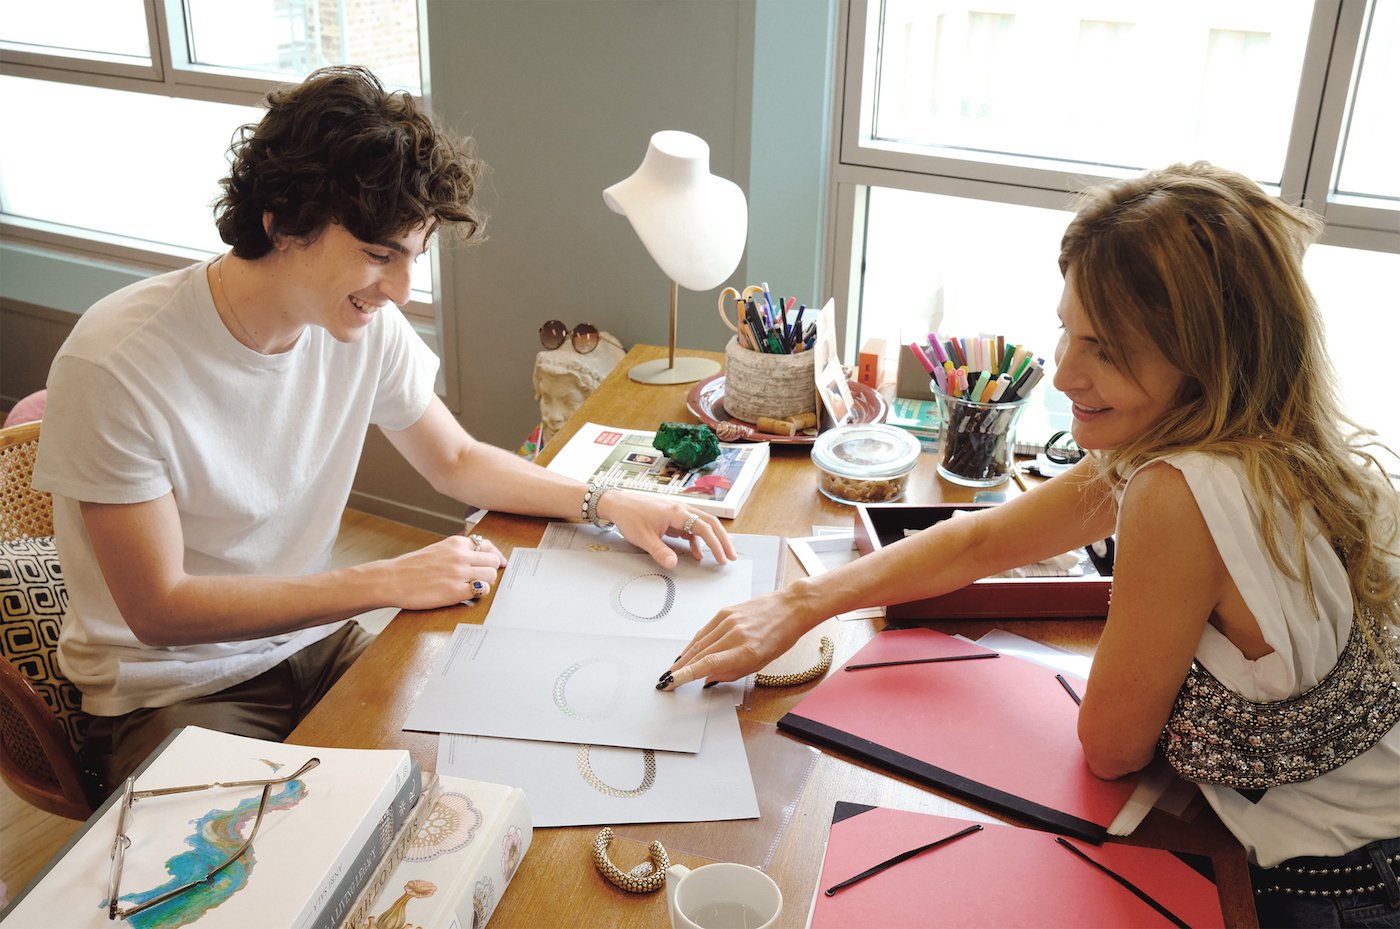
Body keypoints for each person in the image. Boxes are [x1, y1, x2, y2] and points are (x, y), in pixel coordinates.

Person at [663, 162, 1400, 927]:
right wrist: (798, 600)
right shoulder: (1285, 447)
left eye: (1106, 349)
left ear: (1206, 359)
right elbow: (979, 540)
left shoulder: (1180, 489)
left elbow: (1111, 747)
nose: (1063, 369)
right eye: (1068, 328)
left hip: (1335, 889)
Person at [33, 65, 734, 792]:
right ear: (281, 219)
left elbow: (455, 458)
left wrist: (604, 501)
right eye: (378, 255)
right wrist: (386, 579)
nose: (399, 290)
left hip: (314, 647)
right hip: (172, 691)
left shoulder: (361, 326)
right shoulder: (115, 361)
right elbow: (160, 609)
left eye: (413, 257)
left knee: (481, 783)